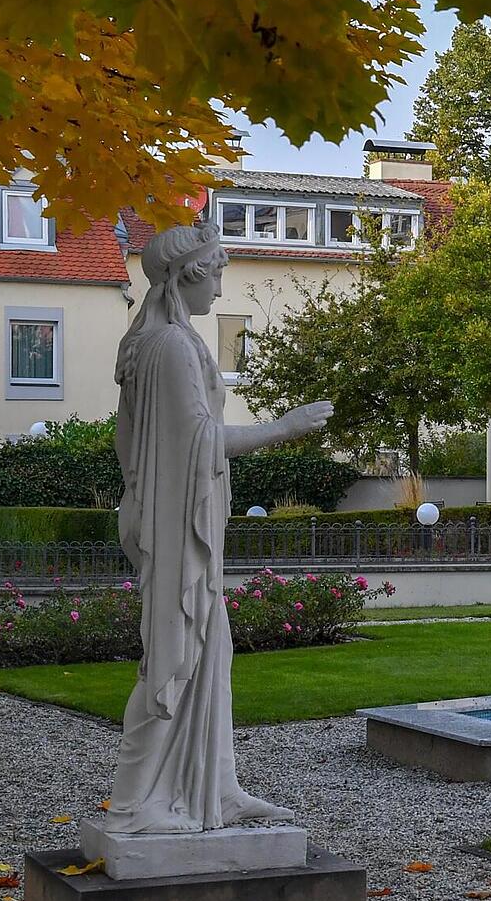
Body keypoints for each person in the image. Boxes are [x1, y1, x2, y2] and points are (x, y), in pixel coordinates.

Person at [96, 221, 331, 834]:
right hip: (175, 527)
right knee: (173, 657)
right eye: (217, 275)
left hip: (178, 519)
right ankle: (134, 808)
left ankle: (214, 789)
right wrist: (286, 427)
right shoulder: (171, 346)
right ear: (187, 276)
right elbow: (198, 439)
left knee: (208, 652)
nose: (221, 289)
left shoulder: (164, 342)